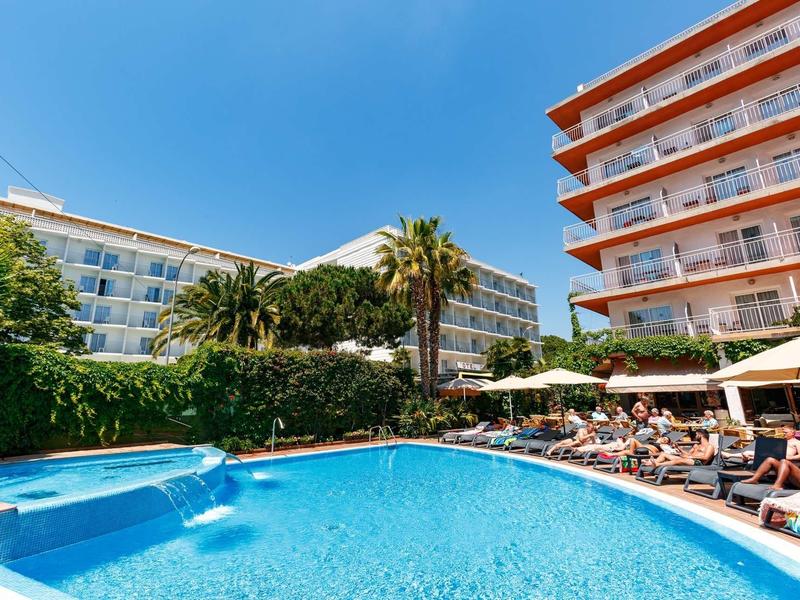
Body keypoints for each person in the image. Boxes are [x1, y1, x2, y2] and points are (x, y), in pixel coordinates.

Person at [722, 426, 800, 462]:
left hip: (783, 458)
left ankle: (749, 458)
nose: (783, 434)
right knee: (746, 452)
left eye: (785, 433)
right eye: (783, 432)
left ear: (792, 433)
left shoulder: (797, 442)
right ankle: (731, 455)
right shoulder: (782, 441)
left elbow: (799, 456)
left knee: (748, 454)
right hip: (774, 455)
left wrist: (788, 458)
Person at [644, 429, 715, 468]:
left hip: (698, 463)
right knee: (663, 454)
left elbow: (706, 457)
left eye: (696, 434)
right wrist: (678, 448)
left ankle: (657, 465)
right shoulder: (696, 445)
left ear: (700, 435)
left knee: (679, 460)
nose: (695, 436)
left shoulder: (709, 446)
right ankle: (653, 463)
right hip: (689, 459)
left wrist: (690, 457)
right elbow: (688, 454)